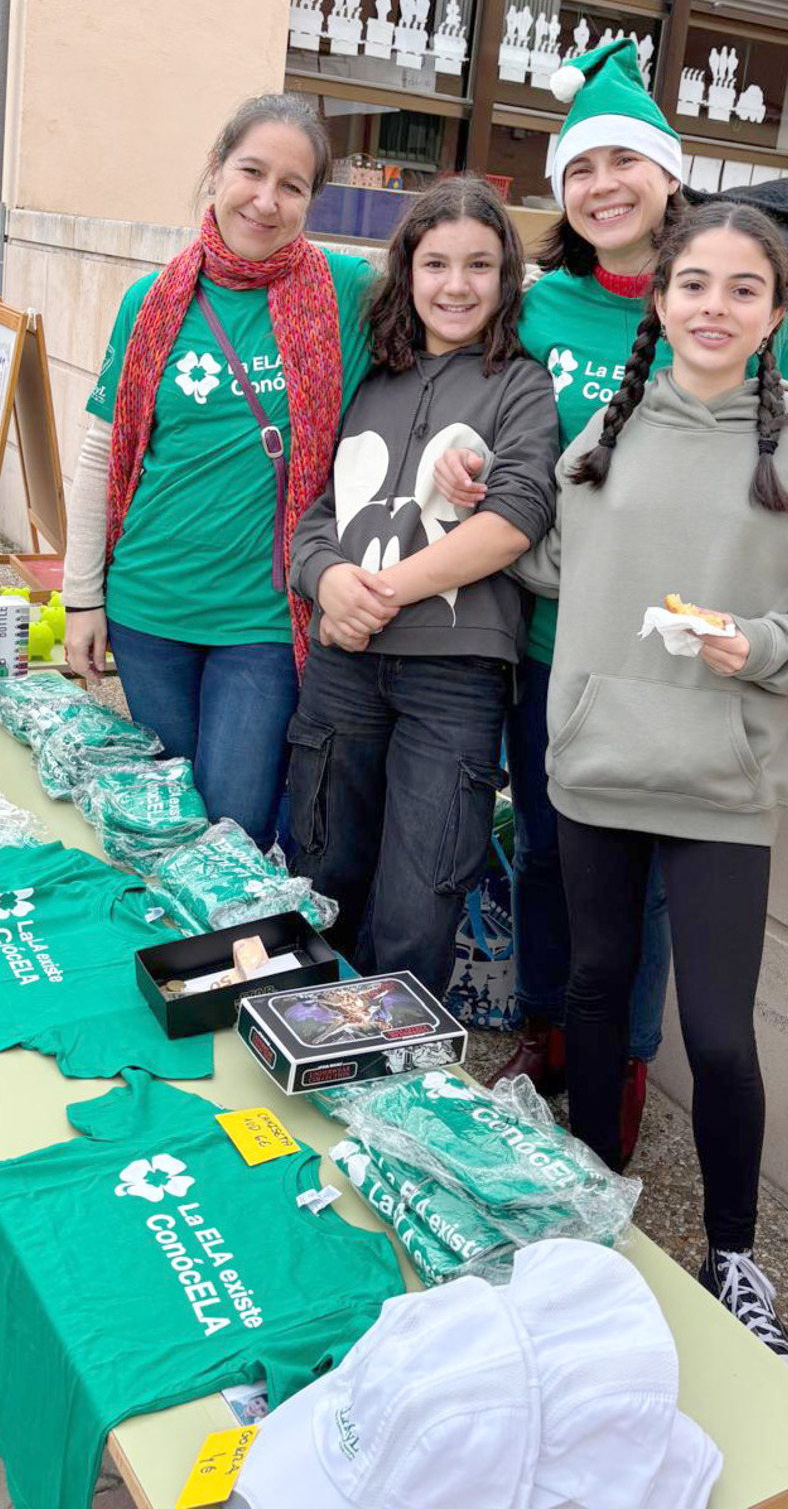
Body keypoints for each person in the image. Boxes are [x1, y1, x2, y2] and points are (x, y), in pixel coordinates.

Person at [436, 39, 788, 1157]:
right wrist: (464, 470)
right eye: (582, 168)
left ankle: (618, 1066)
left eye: (626, 161)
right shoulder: (539, 303)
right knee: (542, 849)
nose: (604, 185)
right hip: (551, 642)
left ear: (669, 178)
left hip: (685, 674)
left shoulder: (732, 290)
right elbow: (492, 428)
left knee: (651, 896)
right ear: (563, 191)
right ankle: (547, 1032)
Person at [514, 202, 788, 1375]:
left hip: (723, 781)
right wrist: (460, 492)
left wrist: (765, 646)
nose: (714, 307)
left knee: (720, 1035)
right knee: (591, 988)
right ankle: (588, 1213)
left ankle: (735, 1253)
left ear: (779, 313)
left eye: (742, 289)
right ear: (658, 299)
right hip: (595, 765)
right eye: (693, 285)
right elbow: (545, 562)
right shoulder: (597, 444)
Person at [62, 92, 373, 849]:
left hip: (264, 619)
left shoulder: (348, 294)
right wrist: (80, 598)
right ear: (217, 170)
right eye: (252, 172)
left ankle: (236, 963)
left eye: (292, 186)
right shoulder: (153, 301)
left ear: (312, 200)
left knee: (234, 823)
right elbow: (103, 452)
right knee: (166, 820)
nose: (266, 201)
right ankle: (176, 963)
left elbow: (460, 306)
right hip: (148, 607)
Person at [286, 178, 558, 998]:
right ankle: (304, 1045)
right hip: (344, 668)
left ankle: (388, 1077)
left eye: (479, 265)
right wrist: (328, 578)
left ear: (507, 277)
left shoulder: (521, 385)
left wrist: (380, 593)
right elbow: (317, 513)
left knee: (421, 893)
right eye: (435, 263)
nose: (456, 285)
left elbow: (515, 518)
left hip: (455, 673)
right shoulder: (371, 381)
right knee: (321, 868)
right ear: (408, 273)